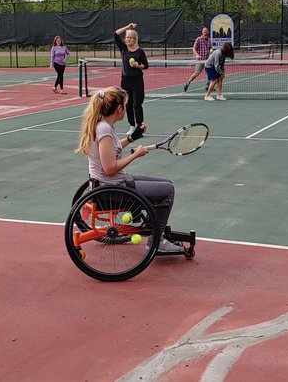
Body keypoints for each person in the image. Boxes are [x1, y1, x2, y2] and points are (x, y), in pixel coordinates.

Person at [76, 87, 184, 254]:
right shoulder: (104, 130)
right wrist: (136, 155)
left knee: (166, 183)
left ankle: (152, 225)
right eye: (125, 105)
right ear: (119, 109)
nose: (126, 109)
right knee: (168, 190)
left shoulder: (103, 125)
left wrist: (133, 137)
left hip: (109, 184)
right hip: (112, 190)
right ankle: (157, 239)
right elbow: (110, 168)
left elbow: (113, 149)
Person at [114, 23, 149, 136]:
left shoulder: (140, 51)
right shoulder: (124, 49)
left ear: (134, 40)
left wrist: (137, 66)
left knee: (137, 105)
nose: (128, 39)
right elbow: (115, 34)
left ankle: (140, 127)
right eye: (127, 37)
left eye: (130, 37)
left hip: (137, 81)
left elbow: (146, 65)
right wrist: (127, 28)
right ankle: (132, 126)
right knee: (128, 104)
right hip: (125, 81)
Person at [183, 27, 211, 91]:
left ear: (208, 32)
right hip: (200, 60)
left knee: (209, 72)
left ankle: (207, 86)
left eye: (206, 31)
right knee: (196, 73)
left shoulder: (209, 40)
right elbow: (194, 48)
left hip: (207, 60)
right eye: (204, 31)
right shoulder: (199, 39)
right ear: (202, 32)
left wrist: (210, 53)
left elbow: (210, 48)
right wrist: (197, 55)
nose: (205, 32)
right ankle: (188, 83)